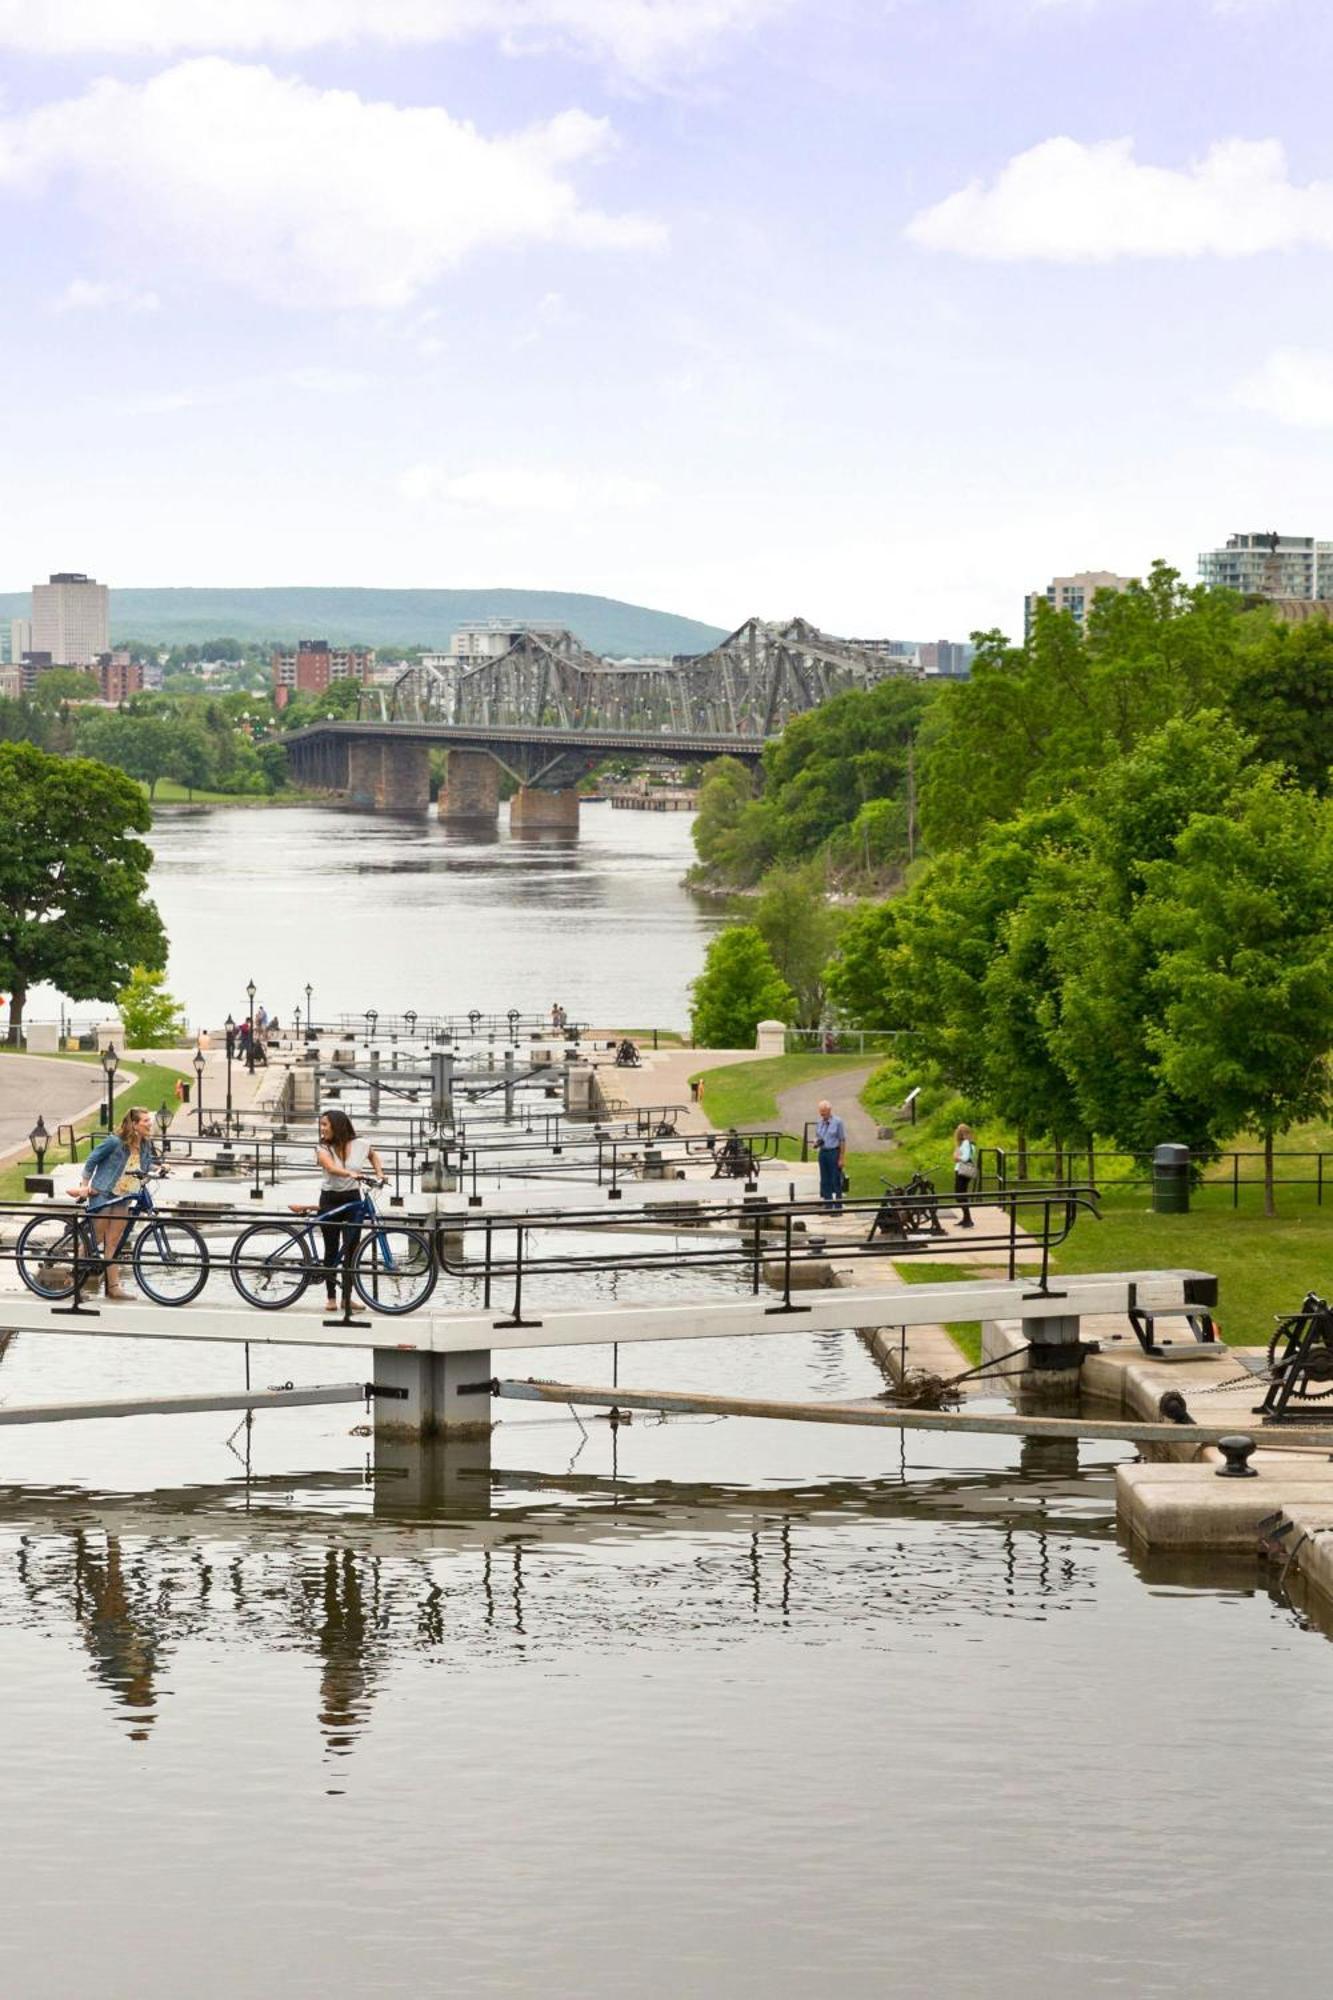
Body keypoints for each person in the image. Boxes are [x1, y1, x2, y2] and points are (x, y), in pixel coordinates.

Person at [74, 1106, 159, 1301]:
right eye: (145, 1121)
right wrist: (85, 1186)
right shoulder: (115, 1142)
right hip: (104, 1192)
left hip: (124, 1195)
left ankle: (114, 1288)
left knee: (113, 1242)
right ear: (135, 1125)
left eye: (149, 1120)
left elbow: (144, 1165)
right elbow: (91, 1160)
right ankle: (73, 1281)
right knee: (96, 1239)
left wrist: (160, 1167)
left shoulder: (145, 1144)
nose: (149, 1123)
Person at [314, 1109, 384, 1313]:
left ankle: (347, 1298)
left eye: (325, 1125)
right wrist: (352, 1173)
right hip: (330, 1199)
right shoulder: (322, 1147)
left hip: (353, 1198)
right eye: (321, 1125)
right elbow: (330, 1168)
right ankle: (330, 1298)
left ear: (337, 1125)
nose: (322, 1129)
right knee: (331, 1248)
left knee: (352, 1251)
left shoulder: (360, 1144)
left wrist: (380, 1174)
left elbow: (373, 1155)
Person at [814, 1098, 847, 1213]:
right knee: (825, 1179)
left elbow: (842, 1140)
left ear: (829, 1110)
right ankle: (827, 1205)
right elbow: (818, 1136)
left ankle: (838, 1206)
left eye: (824, 1111)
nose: (822, 1114)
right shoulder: (819, 1123)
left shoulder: (838, 1122)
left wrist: (841, 1157)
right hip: (823, 1152)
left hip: (834, 1151)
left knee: (835, 1179)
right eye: (821, 1111)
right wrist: (816, 1142)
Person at [952, 1122, 978, 1228]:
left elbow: (966, 1158)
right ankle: (966, 1218)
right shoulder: (971, 1144)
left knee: (960, 1195)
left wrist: (957, 1157)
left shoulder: (966, 1143)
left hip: (962, 1171)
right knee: (961, 1195)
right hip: (966, 1171)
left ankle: (968, 1219)